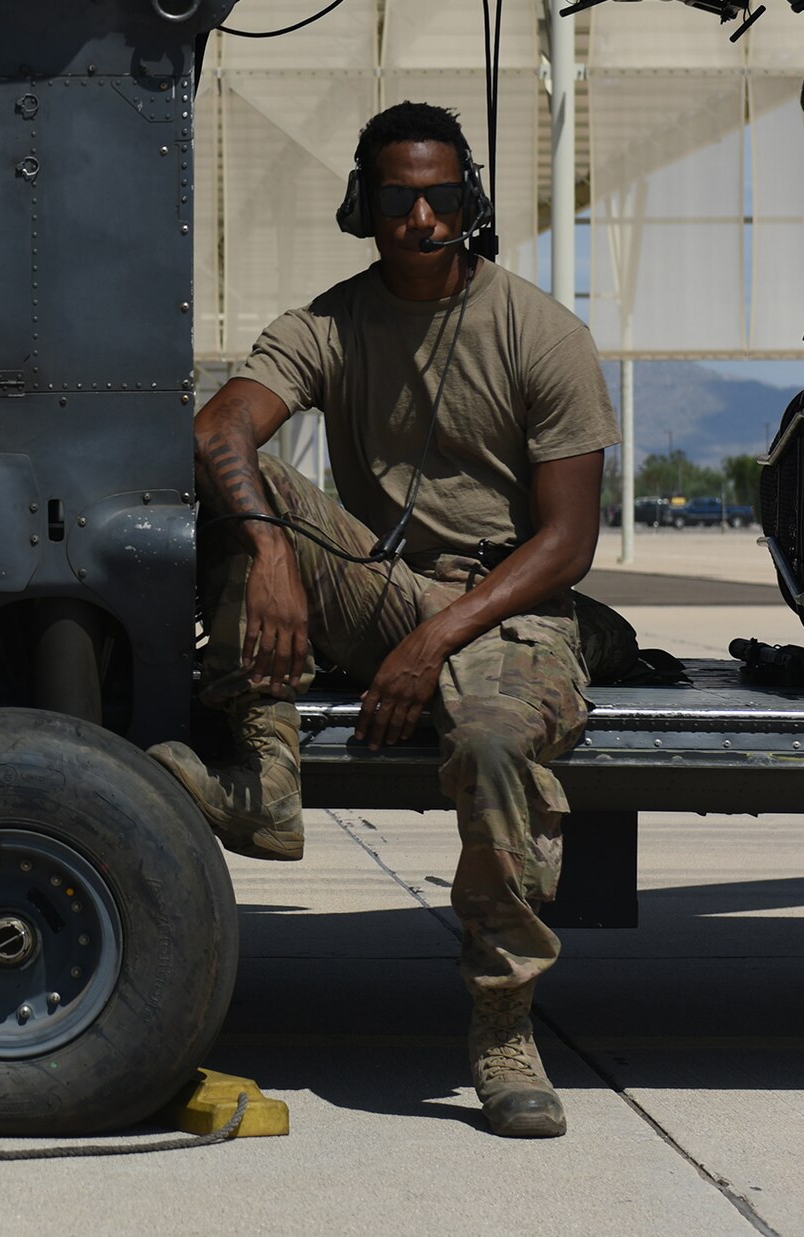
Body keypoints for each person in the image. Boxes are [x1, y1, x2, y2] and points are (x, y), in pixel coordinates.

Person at [150, 101, 617, 1139]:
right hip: (382, 581)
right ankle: (268, 781)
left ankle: (502, 1023)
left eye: (439, 194)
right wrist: (271, 547)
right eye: (397, 195)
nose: (419, 214)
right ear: (362, 206)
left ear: (470, 202)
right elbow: (220, 426)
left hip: (509, 604)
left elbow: (566, 543)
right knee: (241, 490)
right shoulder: (331, 321)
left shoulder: (540, 333)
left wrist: (432, 638)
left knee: (494, 748)